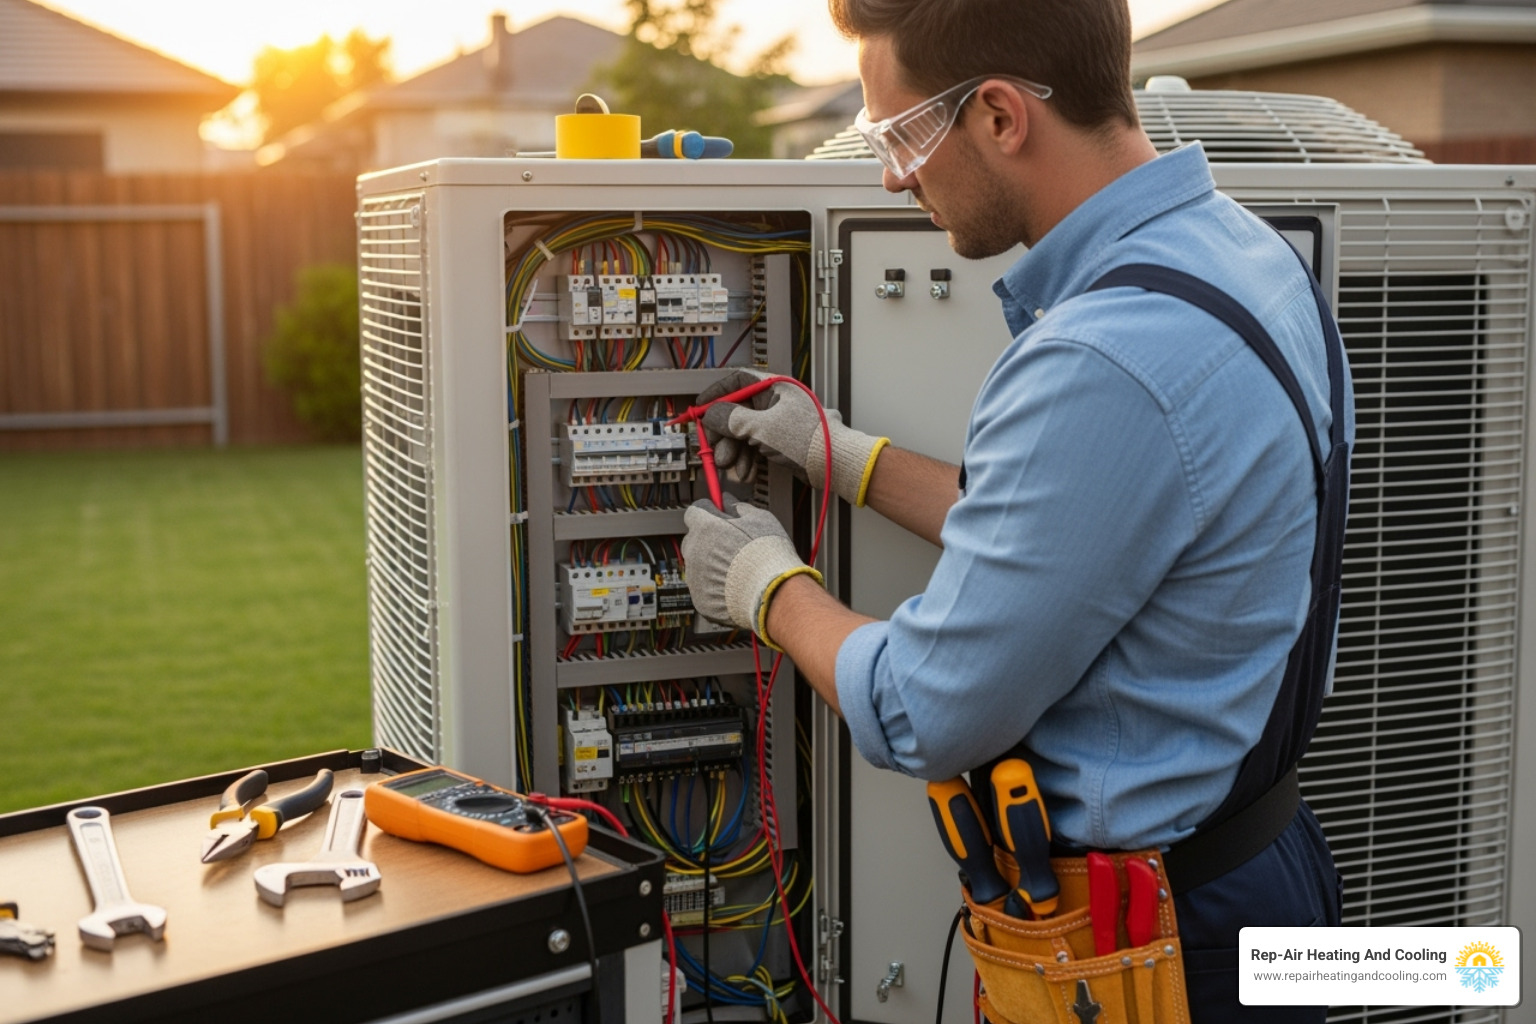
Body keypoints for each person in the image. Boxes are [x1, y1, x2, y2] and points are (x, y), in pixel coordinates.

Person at [679, 0, 1356, 1019]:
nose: (892, 175)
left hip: (1163, 941)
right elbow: (1078, 541)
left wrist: (767, 588)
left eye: (901, 132)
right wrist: (843, 457)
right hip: (1262, 866)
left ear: (1000, 115)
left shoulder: (1104, 352)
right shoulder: (1247, 259)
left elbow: (923, 709)